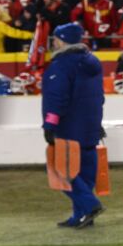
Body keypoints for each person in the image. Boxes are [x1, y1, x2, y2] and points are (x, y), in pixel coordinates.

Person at [42, 22, 105, 228]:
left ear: (62, 40)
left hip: (68, 127)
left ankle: (90, 205)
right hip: (90, 127)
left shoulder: (61, 65)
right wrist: (98, 123)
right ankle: (81, 216)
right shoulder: (92, 62)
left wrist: (50, 124)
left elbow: (56, 97)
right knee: (85, 173)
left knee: (61, 171)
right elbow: (99, 97)